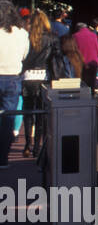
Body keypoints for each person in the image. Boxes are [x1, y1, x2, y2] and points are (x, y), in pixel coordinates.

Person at [20, 10, 61, 157]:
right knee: (41, 114)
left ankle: (27, 145)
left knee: (28, 113)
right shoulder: (52, 38)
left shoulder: (27, 37)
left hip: (27, 77)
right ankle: (37, 147)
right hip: (43, 77)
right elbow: (56, 61)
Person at [0, 0, 29, 164]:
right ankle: (3, 157)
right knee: (8, 118)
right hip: (12, 76)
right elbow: (25, 55)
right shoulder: (21, 33)